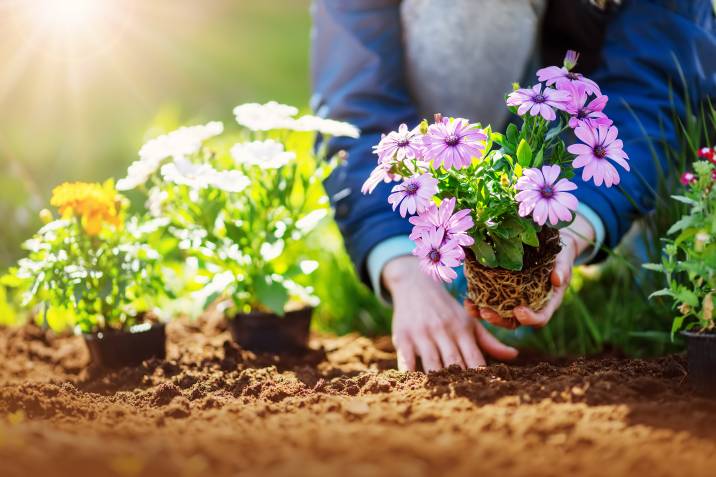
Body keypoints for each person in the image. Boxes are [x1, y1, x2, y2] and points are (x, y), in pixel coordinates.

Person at [310, 0, 716, 371]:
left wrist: (573, 228)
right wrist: (402, 266)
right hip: (494, 116)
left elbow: (659, 81)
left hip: (604, 137)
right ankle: (456, 258)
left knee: (662, 277)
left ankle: (634, 242)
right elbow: (352, 104)